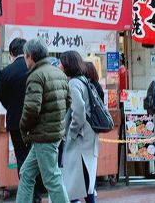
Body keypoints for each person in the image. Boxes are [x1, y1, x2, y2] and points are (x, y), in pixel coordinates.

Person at [16, 39, 71, 203]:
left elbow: (32, 109)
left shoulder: (36, 76)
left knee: (52, 179)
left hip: (43, 136)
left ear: (30, 56)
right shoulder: (59, 73)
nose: (25, 61)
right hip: (52, 134)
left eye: (26, 57)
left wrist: (23, 127)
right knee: (26, 172)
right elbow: (68, 102)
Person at [0, 38, 45, 203]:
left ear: (11, 53)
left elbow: (2, 97)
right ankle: (37, 194)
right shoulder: (36, 69)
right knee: (37, 157)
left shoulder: (6, 72)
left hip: (15, 123)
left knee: (21, 158)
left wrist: (13, 108)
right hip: (36, 122)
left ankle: (28, 195)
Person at [60, 51, 99, 203]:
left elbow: (79, 112)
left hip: (81, 138)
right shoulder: (83, 80)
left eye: (62, 62)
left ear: (68, 65)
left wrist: (72, 133)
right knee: (84, 179)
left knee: (76, 178)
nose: (60, 65)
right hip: (88, 136)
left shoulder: (73, 83)